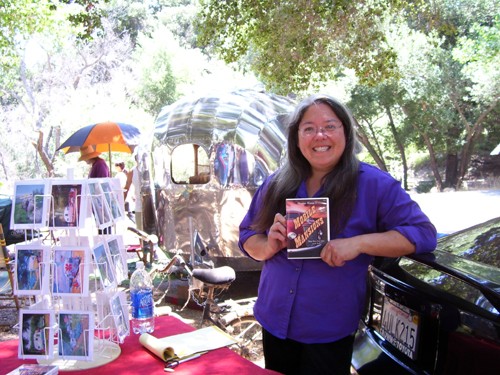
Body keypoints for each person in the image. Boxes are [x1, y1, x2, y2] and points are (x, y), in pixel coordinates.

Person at [238, 94, 437, 375]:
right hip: (274, 320)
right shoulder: (276, 183)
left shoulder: (374, 185)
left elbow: (423, 234)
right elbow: (248, 237)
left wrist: (358, 244)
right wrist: (269, 245)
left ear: (346, 132)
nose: (319, 135)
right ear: (297, 137)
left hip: (328, 329)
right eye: (308, 128)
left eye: (330, 126)